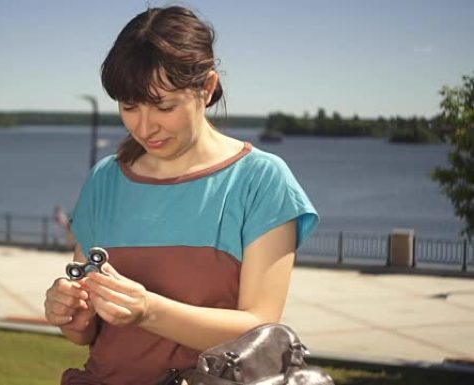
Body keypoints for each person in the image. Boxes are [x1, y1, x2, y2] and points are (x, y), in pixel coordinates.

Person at [44, 6, 319, 385]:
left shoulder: (261, 180)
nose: (144, 126)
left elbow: (260, 330)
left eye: (163, 106)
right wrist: (71, 317)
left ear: (206, 88)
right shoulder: (105, 179)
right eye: (129, 106)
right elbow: (87, 333)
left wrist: (148, 311)